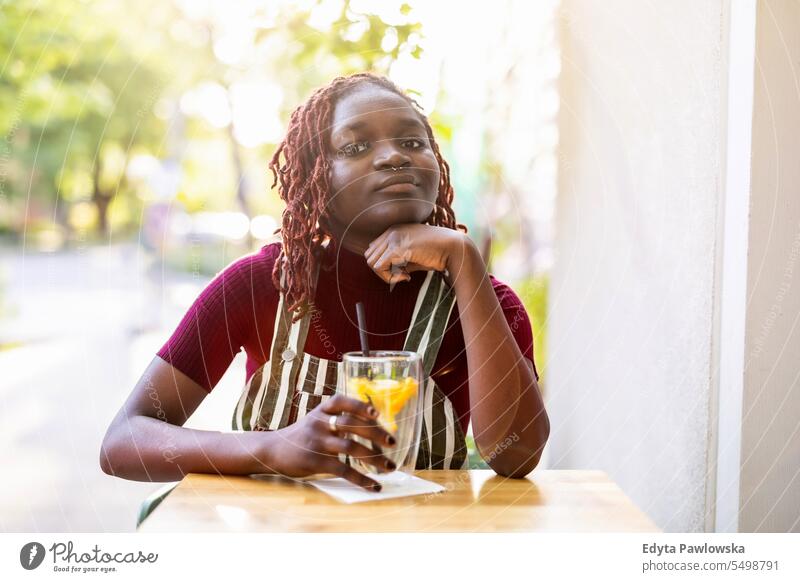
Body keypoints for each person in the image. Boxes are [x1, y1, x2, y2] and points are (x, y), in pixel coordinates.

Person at [100, 72, 550, 494]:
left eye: (413, 141)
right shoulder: (262, 284)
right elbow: (124, 441)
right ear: (316, 179)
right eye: (354, 147)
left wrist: (463, 260)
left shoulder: (489, 305)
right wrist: (270, 448)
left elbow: (518, 455)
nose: (394, 156)